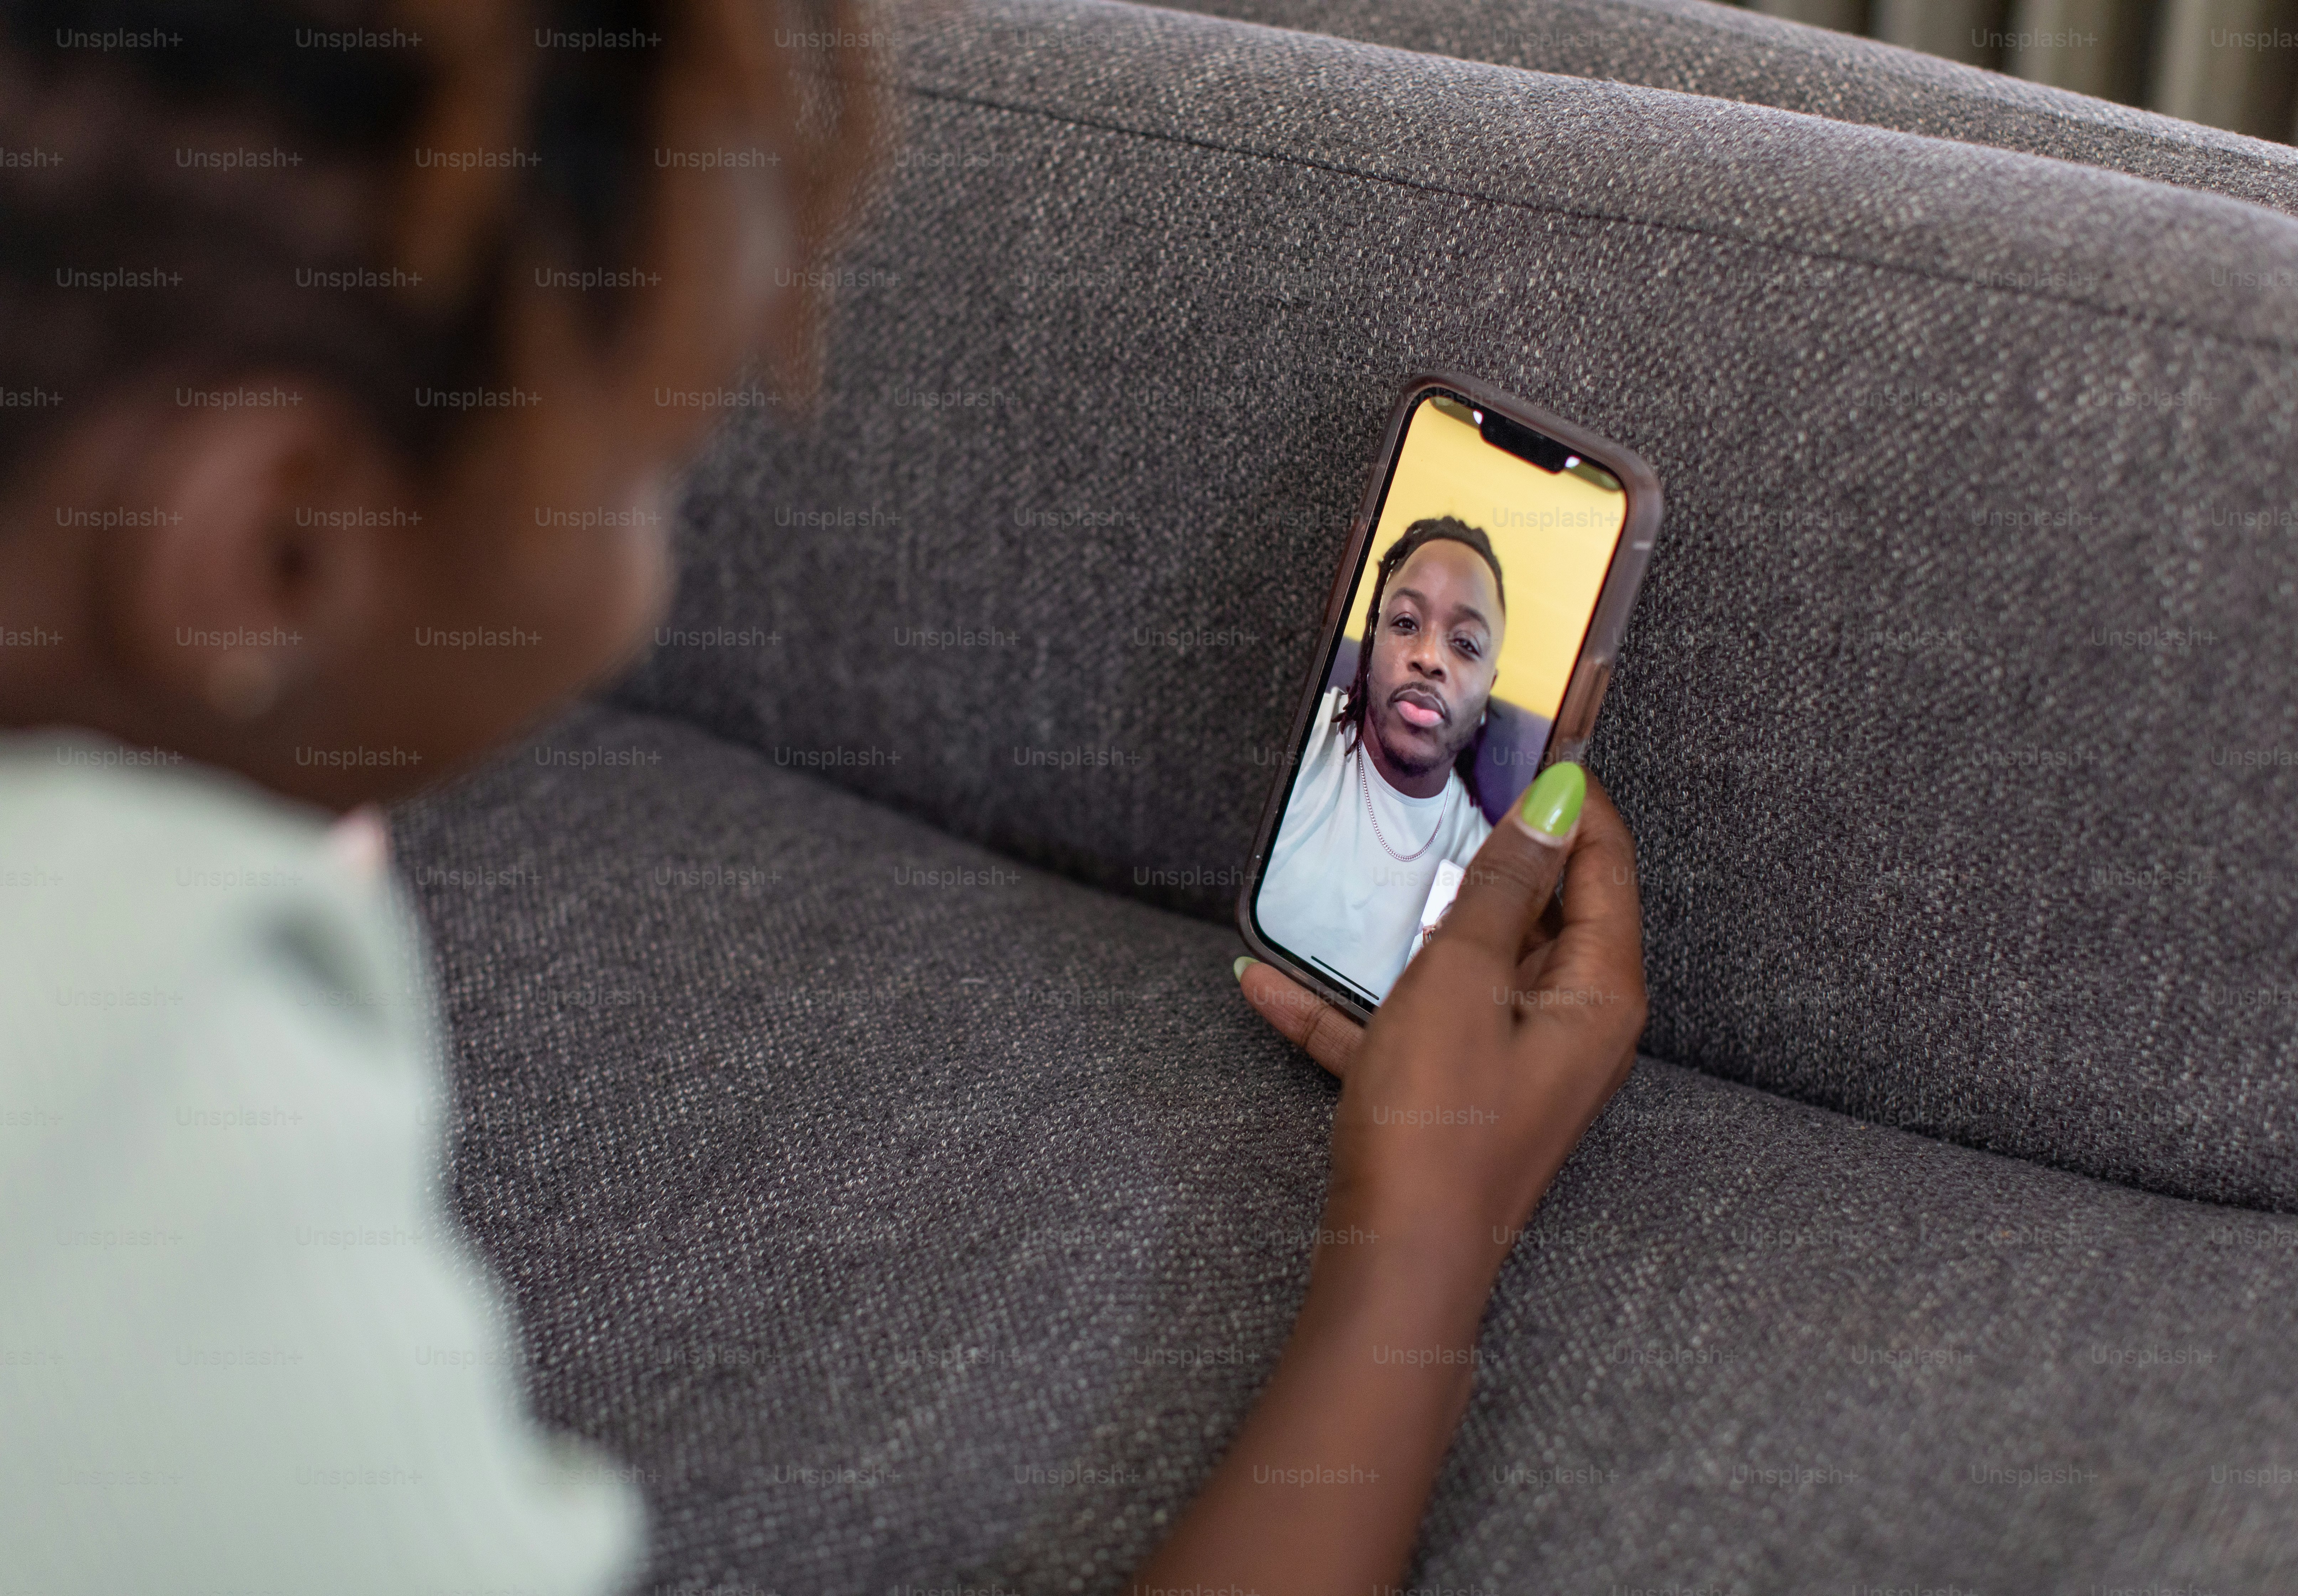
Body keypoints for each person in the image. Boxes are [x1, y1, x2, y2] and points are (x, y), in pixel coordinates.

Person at [0, 4, 1650, 1595]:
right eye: (657, 463)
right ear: (279, 545)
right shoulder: (151, 1110)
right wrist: (1423, 1247)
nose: (653, 576)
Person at [1254, 517, 1505, 1002]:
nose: (1429, 658)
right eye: (1406, 623)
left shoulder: (1484, 859)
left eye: (1466, 644)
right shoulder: (1300, 740)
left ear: (1486, 695)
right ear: (1370, 646)